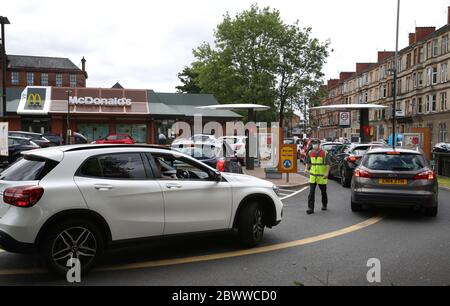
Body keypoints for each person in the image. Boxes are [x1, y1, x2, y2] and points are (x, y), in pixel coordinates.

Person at [305, 140, 330, 215]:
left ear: (319, 144)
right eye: (313, 144)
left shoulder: (324, 153)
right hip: (313, 176)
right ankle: (310, 208)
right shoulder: (310, 153)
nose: (314, 145)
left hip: (322, 176)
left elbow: (328, 164)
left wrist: (326, 173)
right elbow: (308, 163)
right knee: (311, 192)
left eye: (316, 144)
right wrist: (306, 168)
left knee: (323, 192)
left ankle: (324, 204)